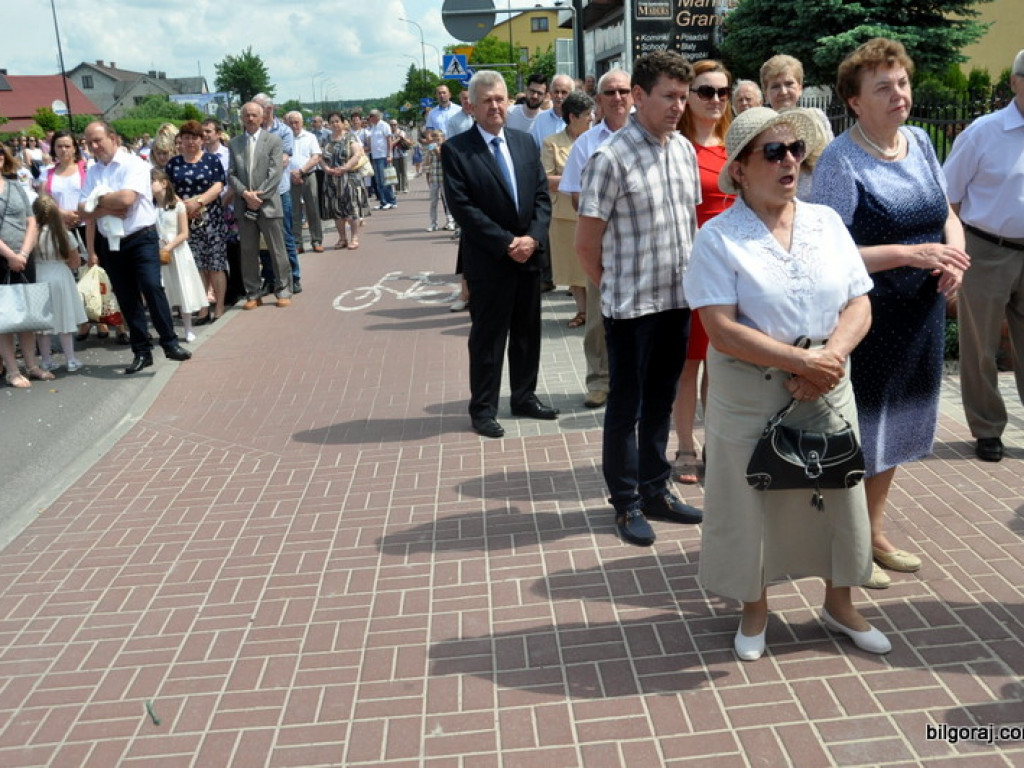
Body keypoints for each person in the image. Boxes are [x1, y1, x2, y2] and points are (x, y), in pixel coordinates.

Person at [684, 105, 889, 661]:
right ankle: (754, 609)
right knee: (749, 500)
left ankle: (840, 603)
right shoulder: (717, 237)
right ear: (740, 169)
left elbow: (859, 302)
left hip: (828, 380)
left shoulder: (826, 223)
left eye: (795, 150)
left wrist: (829, 358)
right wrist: (801, 363)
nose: (789, 161)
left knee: (838, 492)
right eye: (773, 152)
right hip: (751, 389)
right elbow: (720, 329)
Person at [813, 38, 970, 589]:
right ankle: (847, 544)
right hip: (868, 318)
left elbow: (946, 213)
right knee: (862, 433)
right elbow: (827, 251)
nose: (899, 93)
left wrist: (954, 257)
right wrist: (910, 254)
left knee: (897, 429)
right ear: (855, 101)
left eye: (901, 82)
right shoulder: (839, 160)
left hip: (920, 316)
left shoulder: (920, 141)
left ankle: (873, 533)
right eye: (883, 87)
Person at [575, 50, 704, 547]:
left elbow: (689, 226)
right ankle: (626, 502)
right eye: (669, 96)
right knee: (625, 407)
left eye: (683, 96)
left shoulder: (684, 151)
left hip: (676, 301)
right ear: (639, 96)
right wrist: (611, 289)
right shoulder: (610, 158)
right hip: (630, 309)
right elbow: (586, 244)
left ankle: (655, 489)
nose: (678, 106)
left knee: (661, 401)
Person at [442, 70, 556, 439]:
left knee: (527, 334)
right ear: (472, 107)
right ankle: (483, 409)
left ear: (509, 101)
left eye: (500, 99)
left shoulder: (524, 142)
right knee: (488, 340)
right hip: (490, 260)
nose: (495, 106)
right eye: (487, 101)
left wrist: (532, 238)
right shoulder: (456, 150)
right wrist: (508, 243)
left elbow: (541, 196)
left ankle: (524, 397)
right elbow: (462, 207)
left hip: (529, 257)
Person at [942, 49, 1024, 463]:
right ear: (1014, 82)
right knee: (980, 347)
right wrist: (954, 252)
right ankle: (987, 429)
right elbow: (949, 195)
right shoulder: (983, 132)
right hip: (987, 249)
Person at [79, 122, 192, 375]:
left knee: (151, 286)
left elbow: (127, 200)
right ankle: (141, 351)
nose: (94, 146)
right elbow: (82, 208)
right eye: (89, 142)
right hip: (111, 241)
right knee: (127, 297)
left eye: (98, 140)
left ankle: (170, 342)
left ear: (113, 138)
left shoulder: (134, 165)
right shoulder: (93, 171)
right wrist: (107, 207)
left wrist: (97, 201)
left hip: (141, 237)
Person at [671, 60, 736, 485]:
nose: (715, 99)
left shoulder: (736, 145)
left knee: (721, 362)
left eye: (722, 92)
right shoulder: (676, 147)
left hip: (731, 270)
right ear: (689, 96)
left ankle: (716, 444)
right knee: (687, 365)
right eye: (706, 91)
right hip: (689, 268)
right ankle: (684, 447)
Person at [560, 68, 634, 409]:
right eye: (610, 92)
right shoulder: (586, 143)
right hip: (602, 243)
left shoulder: (650, 136)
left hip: (643, 243)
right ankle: (599, 381)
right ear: (599, 101)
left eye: (623, 91)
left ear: (634, 95)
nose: (617, 98)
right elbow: (575, 195)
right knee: (598, 317)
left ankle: (636, 379)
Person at [35, 131, 104, 342]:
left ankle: (102, 317)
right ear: (53, 149)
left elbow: (93, 196)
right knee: (71, 273)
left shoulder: (86, 169)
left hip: (87, 224)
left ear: (75, 148)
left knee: (94, 269)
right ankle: (83, 320)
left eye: (67, 146)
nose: (63, 150)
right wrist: (63, 214)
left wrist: (79, 214)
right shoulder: (47, 173)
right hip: (60, 228)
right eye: (59, 146)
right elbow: (43, 201)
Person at [228, 102, 292, 310]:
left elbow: (275, 173)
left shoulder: (273, 140)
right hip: (244, 205)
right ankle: (253, 293)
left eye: (254, 115)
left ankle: (283, 290)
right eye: (247, 115)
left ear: (262, 117)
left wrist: (258, 196)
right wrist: (246, 194)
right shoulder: (234, 143)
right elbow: (231, 174)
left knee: (277, 249)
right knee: (248, 252)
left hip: (269, 205)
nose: (250, 118)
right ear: (241, 118)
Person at [164, 120, 229, 323]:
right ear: (180, 140)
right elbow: (168, 190)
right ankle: (202, 308)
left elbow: (218, 185)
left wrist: (198, 203)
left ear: (201, 140)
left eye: (194, 137)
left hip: (212, 219)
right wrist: (184, 207)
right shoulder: (173, 164)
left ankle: (219, 306)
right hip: (185, 221)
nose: (191, 141)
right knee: (197, 265)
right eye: (186, 138)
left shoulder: (212, 160)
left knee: (216, 265)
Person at [542, 91, 594, 329]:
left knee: (593, 264)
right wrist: (576, 180)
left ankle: (596, 312)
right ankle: (582, 311)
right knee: (572, 267)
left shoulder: (597, 138)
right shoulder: (551, 143)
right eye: (587, 114)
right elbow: (545, 179)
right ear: (572, 117)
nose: (591, 118)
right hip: (564, 214)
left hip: (594, 211)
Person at [0, 146, 48, 388]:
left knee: (28, 313)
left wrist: (24, 253)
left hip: (24, 256)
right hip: (3, 259)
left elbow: (31, 221)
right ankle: (12, 370)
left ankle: (32, 365)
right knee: (4, 317)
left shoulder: (16, 187)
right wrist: (10, 255)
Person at [759, 54, 833, 197]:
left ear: (800, 88)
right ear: (766, 94)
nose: (783, 91)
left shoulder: (818, 118)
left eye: (789, 84)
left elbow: (832, 161)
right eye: (775, 86)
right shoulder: (761, 130)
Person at [31, 194, 87, 372]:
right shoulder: (64, 234)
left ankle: (46, 361)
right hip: (60, 274)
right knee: (65, 318)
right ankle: (70, 360)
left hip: (39, 274)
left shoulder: (32, 234)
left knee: (43, 323)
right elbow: (75, 262)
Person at [152, 170, 207, 343]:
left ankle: (188, 328)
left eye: (152, 181)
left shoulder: (177, 206)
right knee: (163, 290)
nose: (149, 185)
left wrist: (168, 247)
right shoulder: (150, 207)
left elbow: (184, 233)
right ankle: (168, 331)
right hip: (157, 252)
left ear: (163, 183)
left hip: (177, 252)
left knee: (183, 288)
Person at [319, 112, 369, 251]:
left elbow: (357, 154)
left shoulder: (350, 137)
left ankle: (354, 238)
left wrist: (346, 167)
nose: (335, 124)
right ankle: (342, 238)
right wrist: (326, 168)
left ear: (342, 122)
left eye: (337, 121)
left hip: (349, 177)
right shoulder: (325, 139)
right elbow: (319, 156)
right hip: (332, 178)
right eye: (332, 122)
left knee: (352, 208)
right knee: (336, 210)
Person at [531, 74, 576, 148]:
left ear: (572, 94)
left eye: (564, 92)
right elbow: (532, 147)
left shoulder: (578, 120)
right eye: (556, 92)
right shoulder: (540, 119)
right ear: (551, 94)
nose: (559, 96)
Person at [422, 130, 454, 233]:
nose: (437, 139)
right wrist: (428, 178)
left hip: (444, 179)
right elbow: (427, 163)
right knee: (433, 202)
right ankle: (433, 223)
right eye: (435, 137)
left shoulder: (446, 148)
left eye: (438, 137)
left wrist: (436, 149)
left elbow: (442, 158)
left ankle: (450, 222)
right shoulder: (431, 148)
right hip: (434, 178)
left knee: (448, 201)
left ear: (443, 138)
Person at [389, 119, 410, 194]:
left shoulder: (401, 132)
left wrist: (399, 139)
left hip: (403, 154)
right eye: (391, 125)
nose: (393, 126)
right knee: (396, 172)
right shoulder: (389, 134)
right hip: (394, 155)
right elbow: (391, 143)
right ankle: (397, 188)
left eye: (394, 125)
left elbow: (402, 140)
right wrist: (397, 139)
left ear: (397, 125)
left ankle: (405, 187)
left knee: (404, 171)